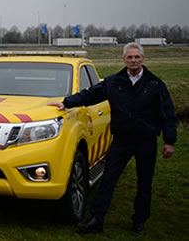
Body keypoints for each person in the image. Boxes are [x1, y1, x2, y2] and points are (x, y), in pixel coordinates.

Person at [48, 42, 176, 234]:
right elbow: (91, 95)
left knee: (144, 184)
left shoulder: (155, 84)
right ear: (123, 60)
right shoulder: (114, 82)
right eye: (130, 57)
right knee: (108, 179)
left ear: (143, 59)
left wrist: (169, 141)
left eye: (137, 57)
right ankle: (96, 220)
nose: (133, 61)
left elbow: (168, 113)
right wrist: (66, 102)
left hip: (146, 141)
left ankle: (139, 221)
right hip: (121, 140)